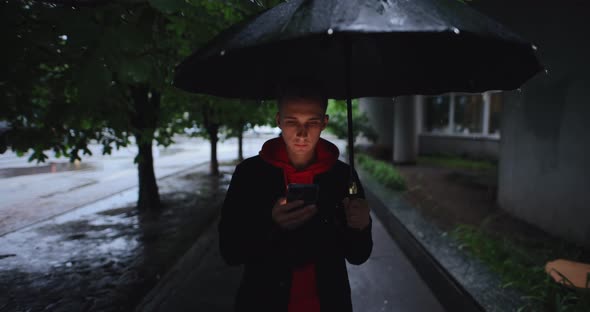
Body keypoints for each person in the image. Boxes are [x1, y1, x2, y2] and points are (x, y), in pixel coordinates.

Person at [218, 85, 373, 312]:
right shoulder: (250, 175)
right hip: (262, 302)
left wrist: (361, 226)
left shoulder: (342, 176)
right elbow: (230, 251)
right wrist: (270, 223)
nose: (302, 133)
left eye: (312, 122)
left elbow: (358, 255)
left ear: (324, 122)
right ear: (279, 121)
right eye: (292, 121)